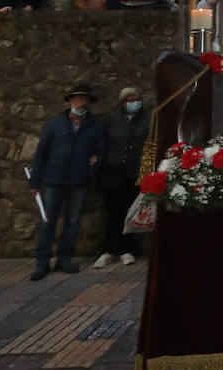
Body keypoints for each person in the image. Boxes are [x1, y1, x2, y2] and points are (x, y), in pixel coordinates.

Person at [29, 84, 106, 280]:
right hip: (53, 180)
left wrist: (92, 168)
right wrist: (34, 182)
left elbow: (101, 151)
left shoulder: (95, 125)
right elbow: (41, 153)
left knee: (72, 222)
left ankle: (64, 258)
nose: (81, 102)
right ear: (70, 101)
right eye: (78, 98)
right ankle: (42, 262)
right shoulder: (55, 124)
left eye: (85, 98)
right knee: (48, 221)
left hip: (79, 181)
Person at [93, 86, 147, 269]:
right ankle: (107, 250)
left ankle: (126, 249)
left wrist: (146, 171)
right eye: (129, 99)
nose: (133, 102)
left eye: (136, 98)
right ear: (123, 102)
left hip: (135, 171)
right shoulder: (111, 119)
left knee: (129, 212)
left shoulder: (148, 119)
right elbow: (102, 142)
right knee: (112, 212)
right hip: (113, 170)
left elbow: (150, 145)